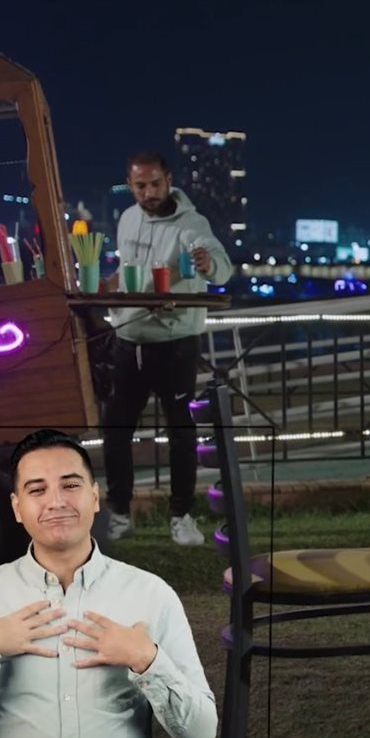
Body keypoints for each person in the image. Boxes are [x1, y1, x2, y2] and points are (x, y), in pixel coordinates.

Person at [0, 430, 217, 738]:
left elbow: (201, 735)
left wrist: (148, 659)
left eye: (71, 485)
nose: (56, 501)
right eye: (37, 490)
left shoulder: (151, 594)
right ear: (17, 508)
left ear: (95, 496)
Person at [102, 150, 232, 546]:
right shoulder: (127, 218)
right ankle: (119, 513)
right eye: (140, 185)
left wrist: (208, 264)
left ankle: (182, 516)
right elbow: (128, 271)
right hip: (128, 341)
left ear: (168, 180)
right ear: (130, 185)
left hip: (175, 344)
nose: (149, 192)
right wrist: (105, 288)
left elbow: (221, 264)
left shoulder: (191, 223)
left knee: (181, 432)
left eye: (155, 183)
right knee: (116, 429)